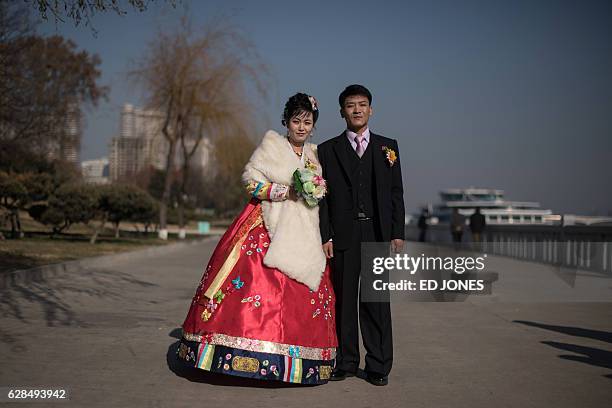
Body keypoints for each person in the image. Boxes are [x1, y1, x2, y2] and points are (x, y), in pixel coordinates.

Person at [177, 93, 337, 385]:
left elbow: (324, 192)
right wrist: (283, 191)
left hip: (304, 229)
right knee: (257, 280)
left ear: (313, 126)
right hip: (268, 220)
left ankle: (300, 359)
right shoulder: (271, 147)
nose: (301, 127)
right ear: (286, 122)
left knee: (303, 287)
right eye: (296, 121)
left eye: (307, 122)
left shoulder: (316, 155)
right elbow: (251, 182)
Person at [318, 84, 405, 386]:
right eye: (351, 105)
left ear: (371, 109)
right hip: (342, 235)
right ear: (342, 111)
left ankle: (379, 365)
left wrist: (397, 232)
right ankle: (346, 362)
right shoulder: (327, 150)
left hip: (377, 231)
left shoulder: (388, 147)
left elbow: (396, 192)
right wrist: (325, 236)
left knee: (376, 300)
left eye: (362, 104)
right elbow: (323, 199)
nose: (357, 109)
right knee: (344, 301)